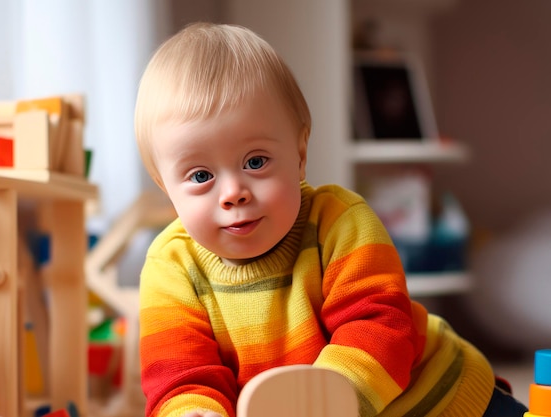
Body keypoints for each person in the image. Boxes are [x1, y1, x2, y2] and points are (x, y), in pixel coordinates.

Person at [133, 22, 528, 417]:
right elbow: (180, 376)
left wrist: (323, 404)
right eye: (201, 176)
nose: (233, 192)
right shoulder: (172, 268)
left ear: (300, 155)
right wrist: (191, 411)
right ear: (165, 186)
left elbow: (378, 327)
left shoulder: (339, 223)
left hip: (442, 395)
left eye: (256, 162)